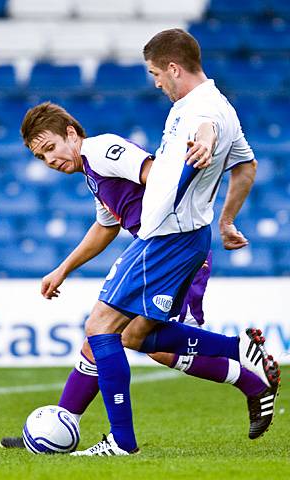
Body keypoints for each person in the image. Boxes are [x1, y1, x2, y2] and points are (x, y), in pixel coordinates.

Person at [0, 103, 279, 450]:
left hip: (169, 243)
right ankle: (61, 425)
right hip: (165, 244)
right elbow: (105, 227)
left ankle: (120, 440)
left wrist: (182, 222)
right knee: (123, 336)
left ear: (70, 133)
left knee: (107, 330)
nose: (50, 161)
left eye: (51, 148)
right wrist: (63, 269)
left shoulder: (101, 151)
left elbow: (155, 174)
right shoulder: (92, 172)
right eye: (41, 158)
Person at [64, 29, 280, 456]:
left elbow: (206, 131)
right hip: (189, 237)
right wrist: (227, 220)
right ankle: (242, 354)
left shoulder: (203, 110)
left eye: (155, 74)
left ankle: (121, 443)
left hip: (166, 236)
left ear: (174, 68)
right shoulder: (220, 106)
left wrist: (203, 141)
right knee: (139, 337)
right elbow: (247, 165)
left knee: (100, 328)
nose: (156, 82)